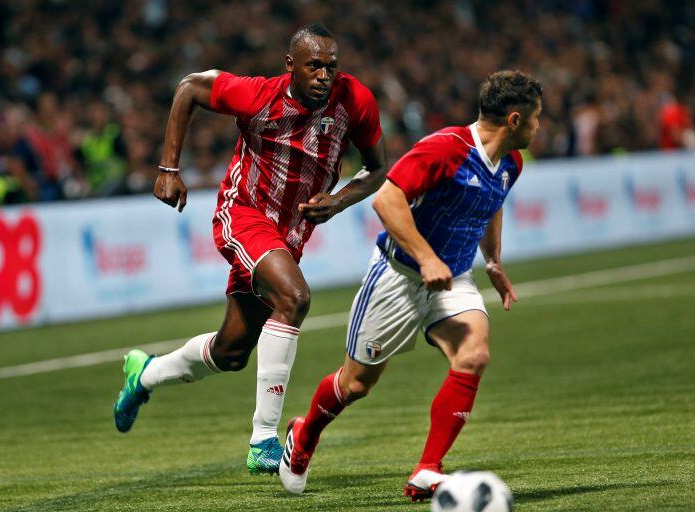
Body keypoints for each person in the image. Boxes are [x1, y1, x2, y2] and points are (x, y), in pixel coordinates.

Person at [112, 23, 387, 476]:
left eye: (331, 67)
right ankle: (264, 437)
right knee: (295, 298)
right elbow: (189, 88)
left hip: (289, 236)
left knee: (231, 353)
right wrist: (167, 167)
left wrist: (339, 201)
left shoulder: (355, 100)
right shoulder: (258, 96)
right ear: (291, 65)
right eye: (314, 65)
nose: (324, 75)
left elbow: (377, 170)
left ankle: (143, 375)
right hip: (243, 214)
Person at [278, 70, 542, 500]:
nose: (538, 125)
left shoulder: (511, 161)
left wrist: (492, 260)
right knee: (356, 384)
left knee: (474, 353)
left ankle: (427, 469)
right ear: (514, 119)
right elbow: (386, 198)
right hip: (399, 275)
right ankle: (304, 434)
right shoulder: (446, 149)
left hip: (453, 277)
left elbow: (492, 201)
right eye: (536, 118)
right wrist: (425, 257)